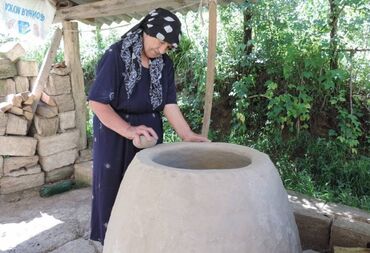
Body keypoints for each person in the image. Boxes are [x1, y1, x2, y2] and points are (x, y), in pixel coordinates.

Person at [88, 8, 209, 245]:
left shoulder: (164, 64)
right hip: (114, 133)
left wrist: (187, 134)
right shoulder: (116, 55)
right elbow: (97, 103)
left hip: (149, 135)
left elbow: (169, 103)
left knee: (148, 189)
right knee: (113, 189)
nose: (163, 50)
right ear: (148, 31)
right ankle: (113, 243)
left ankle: (142, 242)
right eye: (161, 43)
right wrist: (129, 130)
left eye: (169, 47)